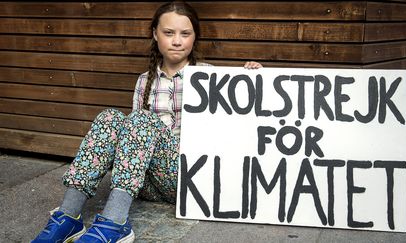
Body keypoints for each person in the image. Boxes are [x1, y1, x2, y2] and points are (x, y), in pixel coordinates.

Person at [31, 1, 262, 242]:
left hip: (190, 180)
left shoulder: (212, 77)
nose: (177, 41)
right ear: (155, 34)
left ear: (195, 37)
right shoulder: (144, 81)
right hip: (147, 184)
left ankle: (115, 221)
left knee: (141, 119)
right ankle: (68, 216)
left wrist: (256, 79)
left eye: (185, 34)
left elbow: (240, 124)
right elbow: (133, 142)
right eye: (168, 33)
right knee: (109, 117)